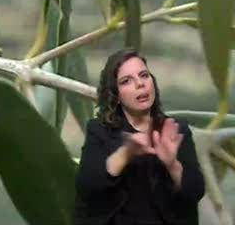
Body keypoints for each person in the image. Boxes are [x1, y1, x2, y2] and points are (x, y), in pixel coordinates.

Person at [74, 48, 205, 225]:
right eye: (126, 81)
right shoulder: (99, 130)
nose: (140, 84)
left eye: (144, 75)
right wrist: (126, 153)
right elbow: (88, 187)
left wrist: (172, 164)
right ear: (116, 95)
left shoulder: (175, 129)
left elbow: (195, 191)